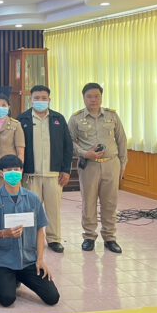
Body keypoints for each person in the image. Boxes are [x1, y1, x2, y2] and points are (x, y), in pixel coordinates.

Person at [0, 155, 60, 308]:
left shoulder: (33, 199)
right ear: (1, 173)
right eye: (8, 170)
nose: (13, 173)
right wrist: (4, 233)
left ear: (21, 171)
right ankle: (12, 278)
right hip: (4, 260)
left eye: (16, 169)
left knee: (53, 297)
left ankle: (21, 277)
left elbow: (40, 230)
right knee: (6, 299)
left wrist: (40, 259)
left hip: (29, 260)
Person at [68, 83, 128, 254]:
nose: (93, 100)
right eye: (89, 96)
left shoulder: (112, 116)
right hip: (89, 166)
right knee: (89, 202)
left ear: (101, 97)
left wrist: (122, 164)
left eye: (96, 96)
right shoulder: (76, 118)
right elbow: (70, 142)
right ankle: (89, 237)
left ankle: (110, 238)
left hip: (111, 164)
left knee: (110, 202)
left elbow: (122, 140)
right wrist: (85, 153)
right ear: (83, 98)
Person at [16, 85, 73, 253]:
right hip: (30, 174)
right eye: (36, 98)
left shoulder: (58, 119)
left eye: (43, 98)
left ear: (49, 100)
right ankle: (31, 240)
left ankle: (54, 239)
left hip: (53, 174)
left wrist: (66, 170)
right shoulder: (22, 119)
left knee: (53, 209)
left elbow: (68, 146)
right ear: (31, 99)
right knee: (30, 209)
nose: (40, 101)